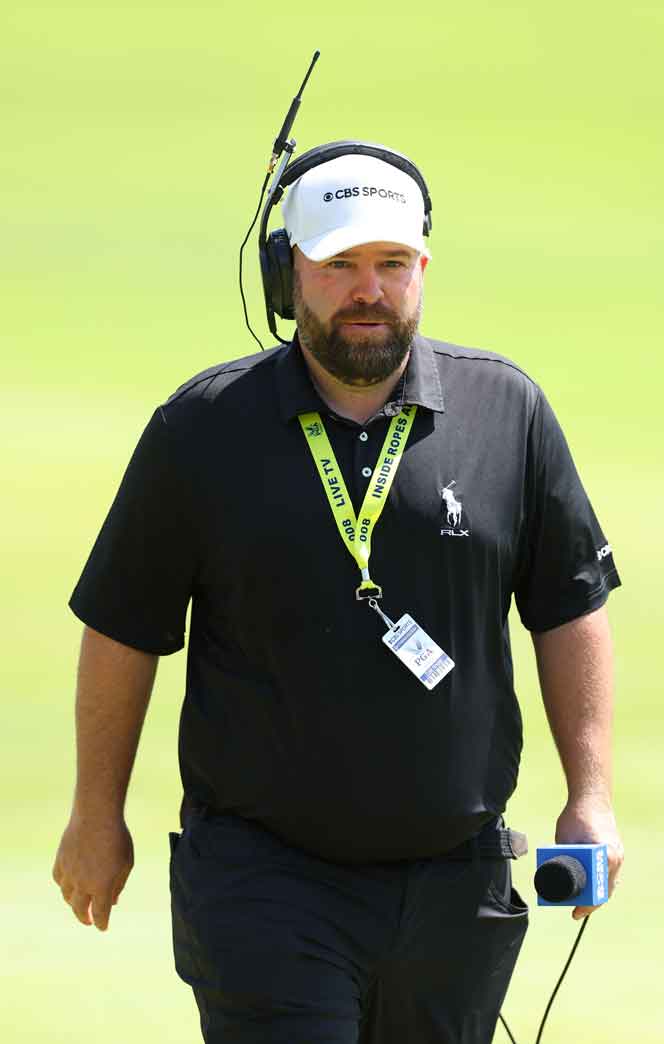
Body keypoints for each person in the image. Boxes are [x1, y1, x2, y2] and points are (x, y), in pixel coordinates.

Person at [53, 145, 624, 1044]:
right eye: (340, 265)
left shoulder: (505, 411)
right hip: (262, 877)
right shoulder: (202, 429)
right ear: (288, 273)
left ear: (423, 269)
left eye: (392, 264)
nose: (369, 290)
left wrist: (590, 795)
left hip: (456, 881)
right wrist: (96, 814)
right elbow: (123, 626)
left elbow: (570, 606)